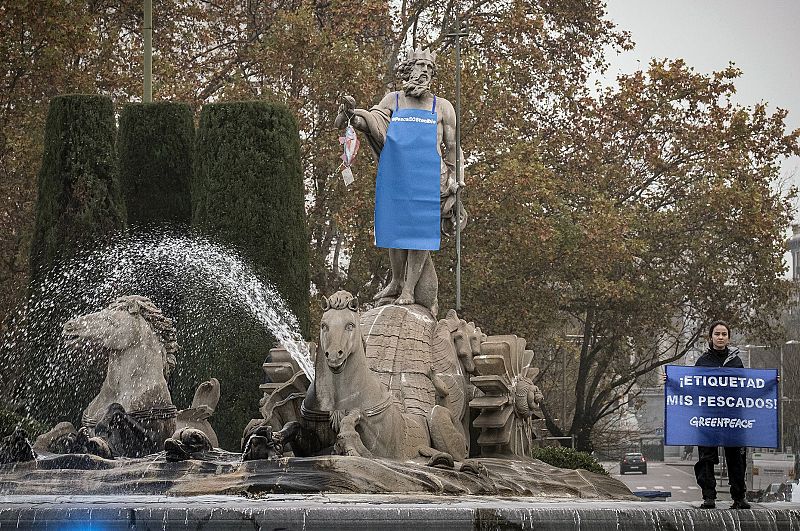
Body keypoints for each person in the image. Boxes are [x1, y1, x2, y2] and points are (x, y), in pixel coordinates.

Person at [335, 48, 464, 313]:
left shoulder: (442, 107)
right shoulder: (392, 100)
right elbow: (375, 122)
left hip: (429, 178)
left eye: (429, 69)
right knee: (394, 229)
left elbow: (453, 147)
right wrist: (352, 114)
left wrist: (456, 179)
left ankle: (409, 289)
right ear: (408, 71)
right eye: (419, 67)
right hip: (396, 174)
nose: (424, 73)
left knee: (419, 235)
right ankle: (395, 281)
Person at [693, 320, 751, 510]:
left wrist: (770, 383)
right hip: (708, 416)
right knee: (706, 457)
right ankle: (709, 497)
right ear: (710, 337)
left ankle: (739, 497)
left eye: (724, 334)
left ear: (728, 337)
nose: (720, 337)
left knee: (736, 457)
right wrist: (671, 380)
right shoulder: (702, 361)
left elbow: (746, 386)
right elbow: (693, 385)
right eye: (717, 334)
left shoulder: (736, 361)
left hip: (733, 416)